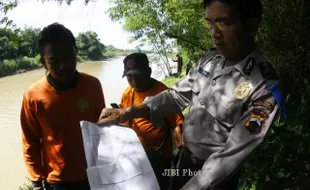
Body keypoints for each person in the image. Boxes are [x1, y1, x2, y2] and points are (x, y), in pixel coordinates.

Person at [97, 0, 287, 190]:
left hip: (215, 179)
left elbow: (232, 154)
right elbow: (175, 95)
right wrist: (125, 113)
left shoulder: (263, 86)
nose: (214, 33)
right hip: (183, 161)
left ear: (252, 26)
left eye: (224, 23)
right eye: (210, 23)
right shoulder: (211, 59)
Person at [20, 23, 106, 190]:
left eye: (69, 56)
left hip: (92, 173)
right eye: (54, 61)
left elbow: (100, 129)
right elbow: (30, 141)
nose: (64, 65)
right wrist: (36, 180)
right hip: (57, 180)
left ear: (76, 52)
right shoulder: (33, 95)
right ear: (43, 62)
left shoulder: (93, 85)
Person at [119, 52, 184, 190]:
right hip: (134, 157)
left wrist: (181, 156)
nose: (134, 80)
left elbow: (177, 124)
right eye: (130, 76)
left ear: (148, 72)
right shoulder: (127, 93)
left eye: (138, 74)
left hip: (158, 158)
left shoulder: (162, 92)